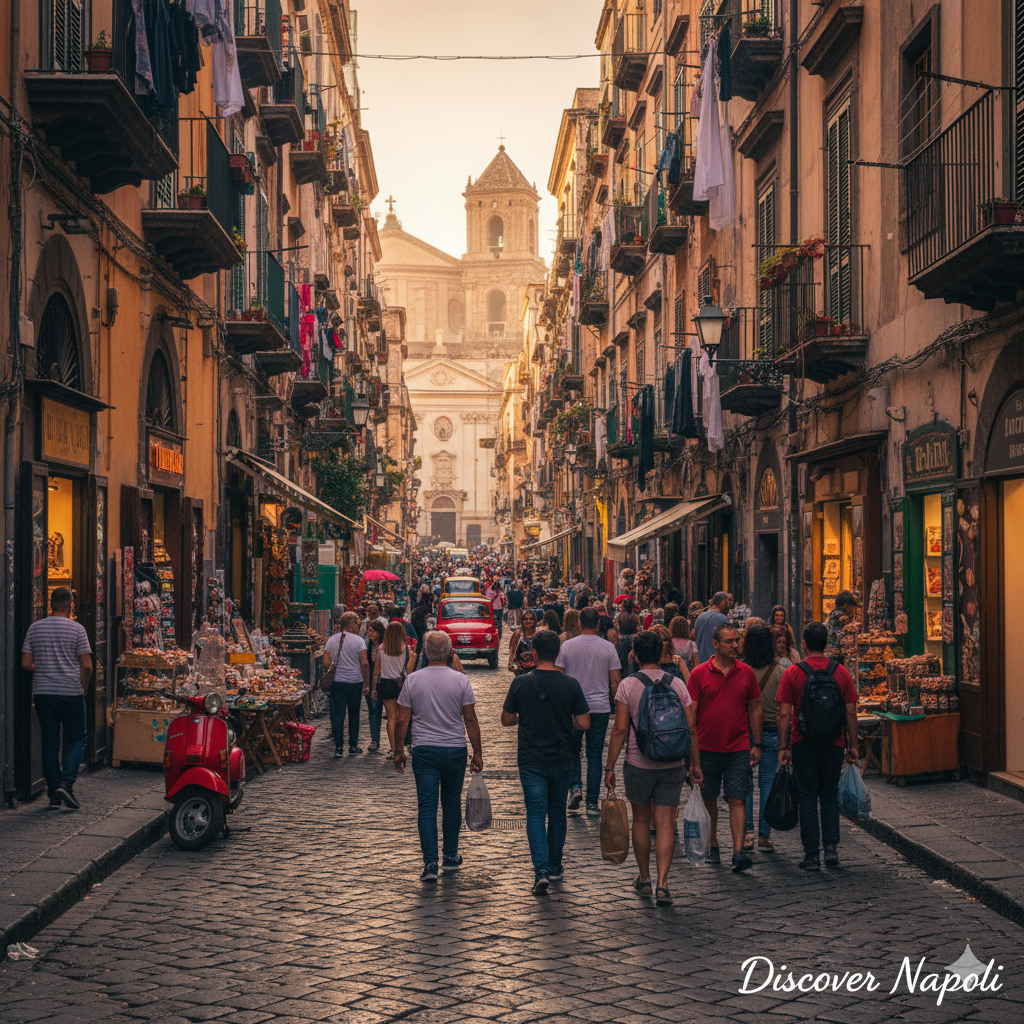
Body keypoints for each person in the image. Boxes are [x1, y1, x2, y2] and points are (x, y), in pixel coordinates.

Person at [604, 629, 703, 907]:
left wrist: (609, 766)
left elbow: (621, 729)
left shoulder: (628, 685)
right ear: (662, 652)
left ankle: (644, 878)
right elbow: (691, 729)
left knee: (641, 820)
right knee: (665, 825)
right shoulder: (677, 684)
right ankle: (663, 884)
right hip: (673, 764)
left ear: (633, 654)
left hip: (639, 763)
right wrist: (695, 764)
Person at [501, 629, 590, 894]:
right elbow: (584, 722)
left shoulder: (521, 683)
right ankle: (554, 864)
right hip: (562, 757)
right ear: (559, 652)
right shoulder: (571, 684)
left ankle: (540, 870)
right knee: (558, 813)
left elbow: (506, 719)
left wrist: (522, 718)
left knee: (535, 815)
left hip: (531, 759)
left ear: (535, 654)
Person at [394, 631, 483, 882]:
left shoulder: (413, 680)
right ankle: (450, 855)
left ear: (423, 653)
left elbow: (402, 719)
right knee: (451, 804)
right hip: (454, 749)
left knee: (427, 806)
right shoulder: (460, 680)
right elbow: (470, 718)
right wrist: (477, 752)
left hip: (424, 750)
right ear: (450, 652)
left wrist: (399, 750)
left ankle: (430, 863)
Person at [777, 621, 860, 871]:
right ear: (826, 644)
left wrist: (784, 747)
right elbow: (851, 712)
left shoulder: (793, 672)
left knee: (807, 796)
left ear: (803, 644)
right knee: (829, 794)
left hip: (803, 742)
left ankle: (812, 853)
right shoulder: (841, 672)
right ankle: (832, 848)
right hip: (834, 742)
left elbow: (783, 713)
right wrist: (853, 745)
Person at [686, 622, 763, 873]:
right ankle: (714, 844)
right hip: (707, 748)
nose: (735, 645)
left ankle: (738, 852)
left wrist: (758, 743)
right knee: (709, 799)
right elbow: (692, 714)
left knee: (737, 798)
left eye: (737, 640)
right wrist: (692, 755)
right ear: (715, 644)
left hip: (738, 748)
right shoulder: (699, 674)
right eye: (729, 641)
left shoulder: (746, 672)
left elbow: (754, 707)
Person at [20, 587, 92, 809]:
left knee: (50, 742)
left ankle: (53, 794)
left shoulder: (35, 628)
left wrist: (41, 667)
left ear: (50, 604)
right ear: (70, 604)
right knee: (78, 738)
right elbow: (87, 665)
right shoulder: (77, 629)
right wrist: (84, 686)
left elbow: (26, 663)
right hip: (70, 691)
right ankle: (66, 784)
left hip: (43, 692)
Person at [555, 606, 622, 814]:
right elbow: (616, 681)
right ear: (598, 625)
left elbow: (559, 676)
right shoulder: (608, 648)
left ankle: (575, 786)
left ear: (579, 623)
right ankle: (592, 802)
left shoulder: (567, 646)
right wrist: (618, 707)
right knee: (595, 754)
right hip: (599, 707)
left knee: (573, 750)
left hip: (573, 708)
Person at [740, 624, 785, 852]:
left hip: (746, 732)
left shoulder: (741, 670)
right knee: (767, 782)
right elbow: (784, 710)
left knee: (746, 784)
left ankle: (747, 833)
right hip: (771, 732)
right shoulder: (780, 672)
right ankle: (764, 836)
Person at [323, 611, 370, 757]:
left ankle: (338, 747)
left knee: (339, 714)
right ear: (352, 623)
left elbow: (326, 663)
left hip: (337, 682)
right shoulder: (359, 641)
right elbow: (364, 663)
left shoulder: (331, 640)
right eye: (357, 623)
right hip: (355, 682)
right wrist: (366, 683)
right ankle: (353, 745)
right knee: (354, 714)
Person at [373, 621, 418, 756]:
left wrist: (374, 688)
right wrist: (414, 658)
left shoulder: (381, 649)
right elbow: (409, 671)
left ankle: (394, 749)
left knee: (391, 717)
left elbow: (376, 671)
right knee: (402, 717)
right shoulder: (406, 649)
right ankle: (403, 745)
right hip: (401, 684)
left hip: (386, 684)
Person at [363, 619, 387, 753]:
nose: (369, 633)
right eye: (368, 630)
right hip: (372, 682)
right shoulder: (367, 645)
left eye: (372, 631)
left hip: (385, 682)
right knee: (374, 711)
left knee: (391, 714)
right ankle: (374, 739)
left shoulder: (386, 646)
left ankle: (394, 744)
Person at [694, 592, 731, 663]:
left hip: (701, 661)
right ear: (723, 602)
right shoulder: (722, 618)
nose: (728, 605)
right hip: (715, 663)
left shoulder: (700, 617)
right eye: (727, 601)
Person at [825, 590, 859, 662]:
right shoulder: (839, 615)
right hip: (833, 656)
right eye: (853, 609)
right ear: (846, 606)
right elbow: (842, 619)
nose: (853, 612)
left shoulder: (833, 613)